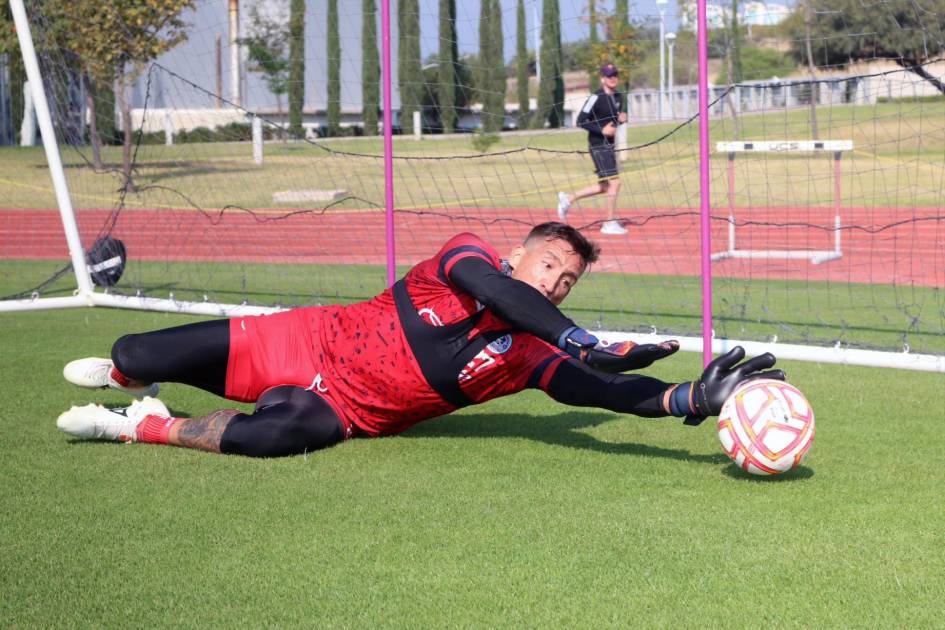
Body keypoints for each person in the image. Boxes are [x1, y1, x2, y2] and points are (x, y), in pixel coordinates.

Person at [57, 222, 784, 457]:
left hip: (342, 411)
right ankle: (134, 382)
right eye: (548, 267)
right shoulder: (462, 257)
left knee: (270, 439)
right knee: (131, 353)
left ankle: (142, 425)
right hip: (295, 343)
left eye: (569, 280)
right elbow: (502, 295)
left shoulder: (530, 355)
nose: (556, 283)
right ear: (517, 256)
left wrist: (692, 397)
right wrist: (580, 337)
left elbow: (604, 391)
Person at [557, 62, 629, 235]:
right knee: (615, 183)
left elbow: (614, 122)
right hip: (598, 145)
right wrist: (601, 130)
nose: (613, 78)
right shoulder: (595, 97)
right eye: (609, 76)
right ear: (602, 79)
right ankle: (609, 223)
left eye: (615, 75)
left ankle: (568, 199)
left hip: (610, 145)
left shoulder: (619, 96)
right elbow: (581, 121)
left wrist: (621, 120)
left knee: (605, 186)